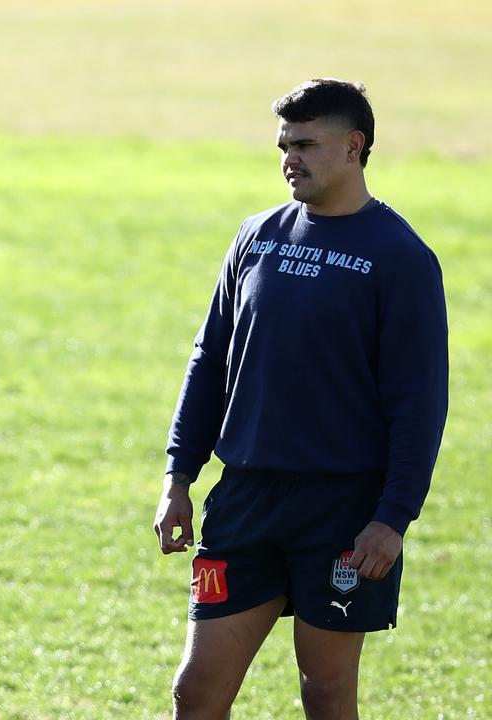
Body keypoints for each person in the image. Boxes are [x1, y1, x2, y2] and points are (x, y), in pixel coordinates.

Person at [153, 78, 447, 719]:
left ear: (353, 147)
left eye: (307, 144)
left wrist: (393, 516)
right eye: (284, 144)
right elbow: (209, 363)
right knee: (196, 690)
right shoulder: (256, 237)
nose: (291, 158)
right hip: (246, 499)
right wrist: (179, 476)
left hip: (342, 511)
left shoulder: (400, 259)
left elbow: (419, 403)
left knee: (327, 690)